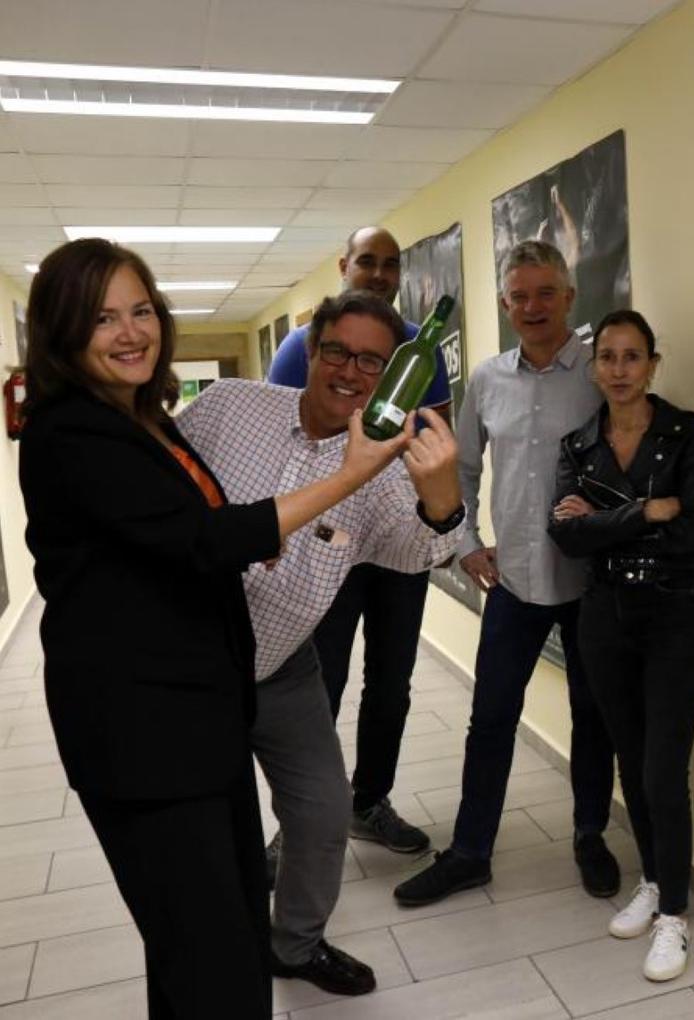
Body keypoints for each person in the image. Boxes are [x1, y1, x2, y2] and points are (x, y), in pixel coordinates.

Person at [17, 240, 410, 1019]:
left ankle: (290, 943)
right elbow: (207, 540)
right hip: (144, 737)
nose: (131, 332)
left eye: (139, 311)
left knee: (216, 941)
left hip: (205, 718)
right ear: (62, 331)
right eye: (102, 318)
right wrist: (350, 474)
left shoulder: (140, 418)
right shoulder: (70, 436)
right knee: (211, 960)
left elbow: (190, 533)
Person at [178, 289, 465, 997]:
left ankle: (295, 944)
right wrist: (228, 529)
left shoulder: (388, 468)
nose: (350, 372)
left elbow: (418, 552)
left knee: (322, 809)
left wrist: (442, 501)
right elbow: (166, 486)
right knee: (207, 828)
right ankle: (212, 949)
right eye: (337, 351)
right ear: (311, 349)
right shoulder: (228, 408)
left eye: (372, 361)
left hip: (281, 667)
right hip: (192, 666)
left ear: (391, 371)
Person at [392, 240, 619, 907]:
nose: (532, 307)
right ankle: (469, 852)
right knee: (490, 719)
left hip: (588, 583)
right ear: (504, 303)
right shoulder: (488, 379)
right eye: (519, 296)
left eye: (545, 293)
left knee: (593, 717)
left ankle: (588, 834)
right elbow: (457, 469)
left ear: (569, 298)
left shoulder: (596, 375)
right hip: (514, 584)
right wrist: (466, 543)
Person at [266, 226, 452, 858]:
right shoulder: (302, 346)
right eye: (366, 262)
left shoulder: (419, 351)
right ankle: (296, 826)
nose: (378, 273)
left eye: (390, 265)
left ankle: (370, 802)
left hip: (398, 538)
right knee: (322, 681)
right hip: (329, 539)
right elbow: (282, 441)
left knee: (392, 682)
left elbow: (440, 441)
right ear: (344, 265)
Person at [547, 309, 694, 982]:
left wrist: (604, 522)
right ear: (595, 368)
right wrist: (646, 511)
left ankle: (673, 915)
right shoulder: (577, 444)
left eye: (632, 357)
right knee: (627, 757)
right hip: (605, 617)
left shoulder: (686, 434)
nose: (619, 369)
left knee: (662, 772)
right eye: (608, 357)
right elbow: (567, 536)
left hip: (674, 615)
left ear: (653, 363)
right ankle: (650, 879)